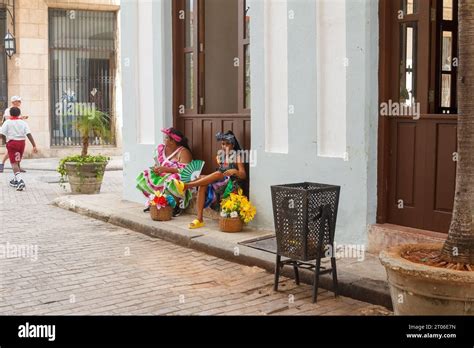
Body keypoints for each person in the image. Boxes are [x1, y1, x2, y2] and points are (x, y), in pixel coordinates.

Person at [176, 131, 247, 229]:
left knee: (217, 174)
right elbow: (220, 171)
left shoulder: (237, 156)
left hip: (231, 183)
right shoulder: (221, 156)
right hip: (220, 180)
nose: (224, 146)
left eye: (227, 144)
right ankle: (199, 219)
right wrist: (203, 177)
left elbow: (243, 175)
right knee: (202, 181)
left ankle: (187, 185)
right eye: (223, 144)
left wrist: (235, 171)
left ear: (233, 144)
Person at [136, 127, 193, 216]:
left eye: (166, 138)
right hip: (163, 174)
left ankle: (175, 205)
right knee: (145, 174)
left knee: (173, 179)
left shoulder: (183, 152)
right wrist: (156, 169)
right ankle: (156, 202)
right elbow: (158, 163)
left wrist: (167, 170)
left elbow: (185, 171)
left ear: (173, 141)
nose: (164, 139)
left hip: (178, 176)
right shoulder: (161, 149)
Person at [0, 107, 38, 191]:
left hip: (12, 143)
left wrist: (5, 142)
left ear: (10, 114)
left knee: (13, 163)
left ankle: (20, 181)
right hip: (21, 143)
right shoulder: (23, 123)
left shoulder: (7, 122)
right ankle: (15, 180)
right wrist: (34, 145)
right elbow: (28, 134)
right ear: (19, 113)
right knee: (17, 161)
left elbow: (2, 134)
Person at [0, 96, 29, 173]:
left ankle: (16, 166)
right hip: (10, 133)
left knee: (12, 151)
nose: (20, 102)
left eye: (20, 101)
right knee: (10, 151)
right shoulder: (8, 110)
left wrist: (22, 117)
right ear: (13, 102)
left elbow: (16, 119)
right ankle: (2, 164)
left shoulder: (17, 110)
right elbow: (9, 120)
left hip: (15, 133)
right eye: (18, 101)